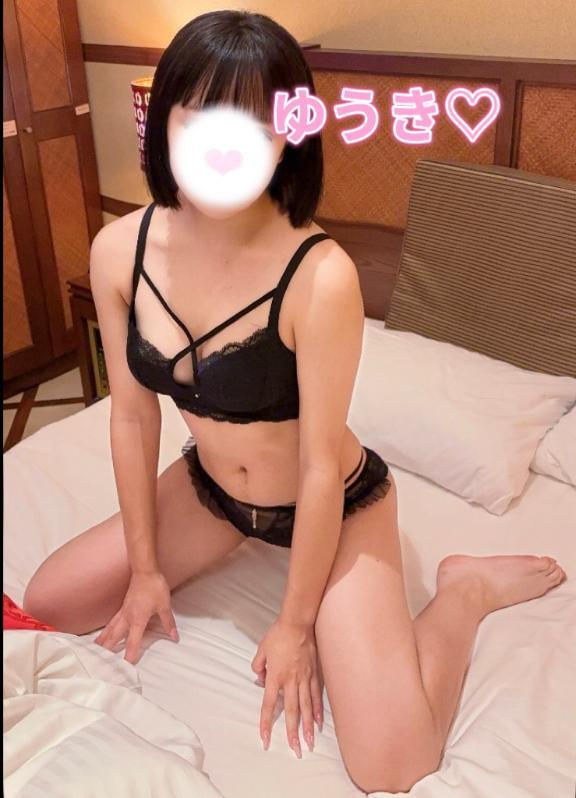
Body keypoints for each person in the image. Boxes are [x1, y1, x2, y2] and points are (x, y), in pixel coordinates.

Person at [22, 11, 566, 793]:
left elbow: (317, 467)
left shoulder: (320, 274)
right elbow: (133, 415)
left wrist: (295, 623)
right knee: (49, 600)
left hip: (335, 501)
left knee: (394, 765)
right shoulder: (119, 252)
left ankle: (464, 591)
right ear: (162, 121)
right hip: (213, 493)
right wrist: (145, 568)